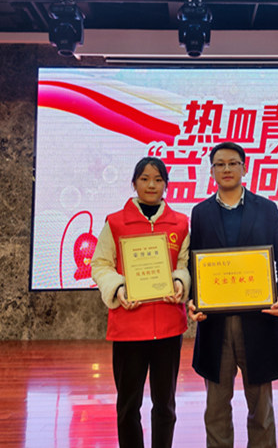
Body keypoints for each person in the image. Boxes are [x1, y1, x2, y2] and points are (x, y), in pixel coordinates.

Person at [188, 142, 278, 448]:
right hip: (215, 324)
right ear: (211, 171)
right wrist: (192, 299)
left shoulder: (266, 209)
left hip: (259, 322)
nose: (226, 169)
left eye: (233, 163)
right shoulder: (200, 213)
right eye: (219, 164)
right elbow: (193, 263)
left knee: (261, 409)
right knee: (216, 408)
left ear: (244, 168)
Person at [91, 156, 190, 448]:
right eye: (144, 179)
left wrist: (179, 282)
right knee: (128, 405)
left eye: (158, 180)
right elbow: (101, 264)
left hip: (168, 328)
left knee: (165, 405)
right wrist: (119, 287)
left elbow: (184, 265)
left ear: (166, 185)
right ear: (134, 183)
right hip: (129, 326)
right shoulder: (115, 222)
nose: (151, 185)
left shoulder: (180, 223)